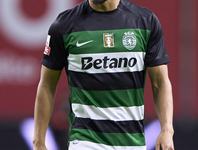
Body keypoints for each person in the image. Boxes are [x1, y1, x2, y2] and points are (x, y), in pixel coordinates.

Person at [33, 0, 174, 150]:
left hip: (133, 142)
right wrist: (38, 142)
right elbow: (47, 84)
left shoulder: (145, 21)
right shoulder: (64, 25)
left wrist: (167, 129)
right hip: (85, 141)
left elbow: (160, 82)